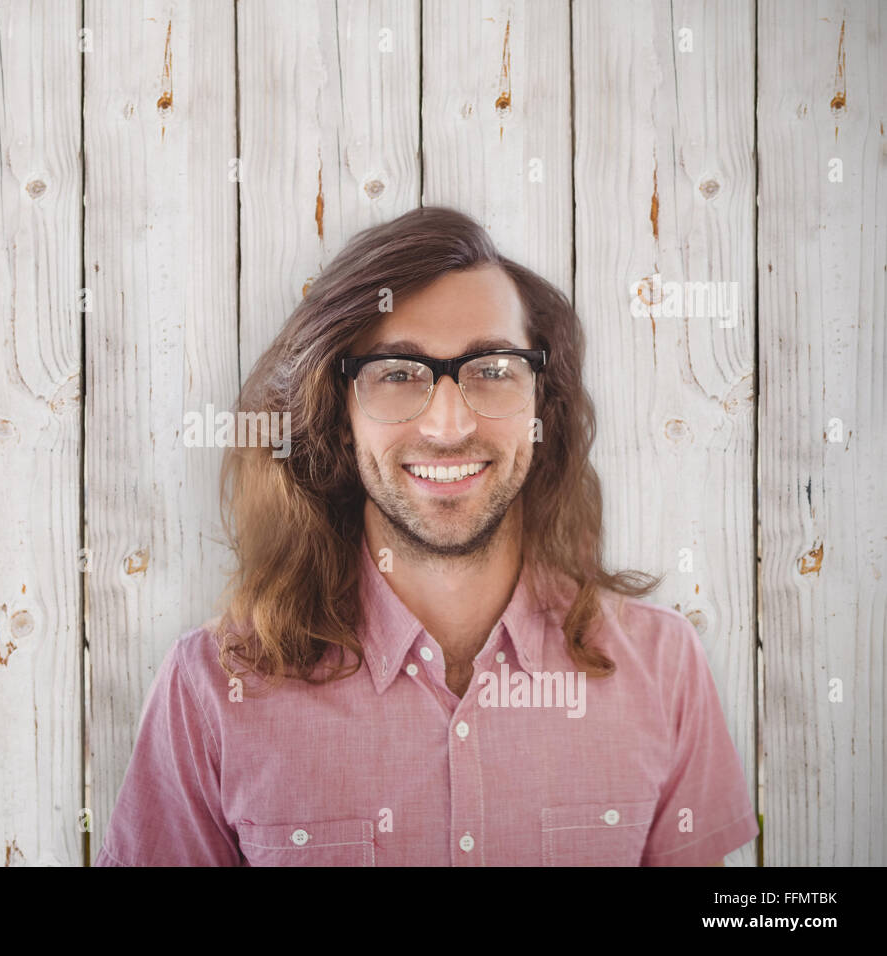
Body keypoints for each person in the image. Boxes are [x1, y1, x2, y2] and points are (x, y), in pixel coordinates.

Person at [94, 206, 758, 866]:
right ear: (340, 413)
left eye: (493, 369)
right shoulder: (212, 688)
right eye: (397, 374)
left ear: (540, 404)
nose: (447, 427)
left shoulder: (663, 667)